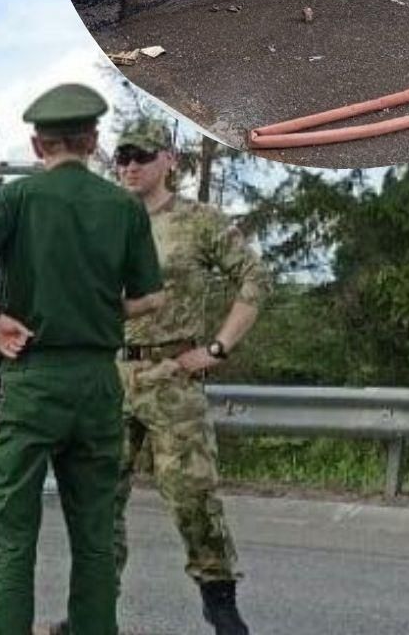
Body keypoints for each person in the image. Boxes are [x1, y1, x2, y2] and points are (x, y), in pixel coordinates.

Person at [0, 83, 166, 635]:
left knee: (15, 539)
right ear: (93, 141)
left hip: (34, 378)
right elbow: (152, 297)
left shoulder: (17, 199)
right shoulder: (122, 207)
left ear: (39, 147)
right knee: (94, 538)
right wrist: (101, 311)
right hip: (96, 383)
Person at [111, 119, 267, 635]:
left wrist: (218, 348)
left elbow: (253, 278)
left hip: (172, 376)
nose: (131, 165)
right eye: (123, 156)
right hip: (110, 375)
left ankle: (220, 604)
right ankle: (93, 609)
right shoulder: (103, 221)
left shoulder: (198, 221)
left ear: (169, 160)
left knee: (192, 496)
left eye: (142, 155)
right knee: (95, 499)